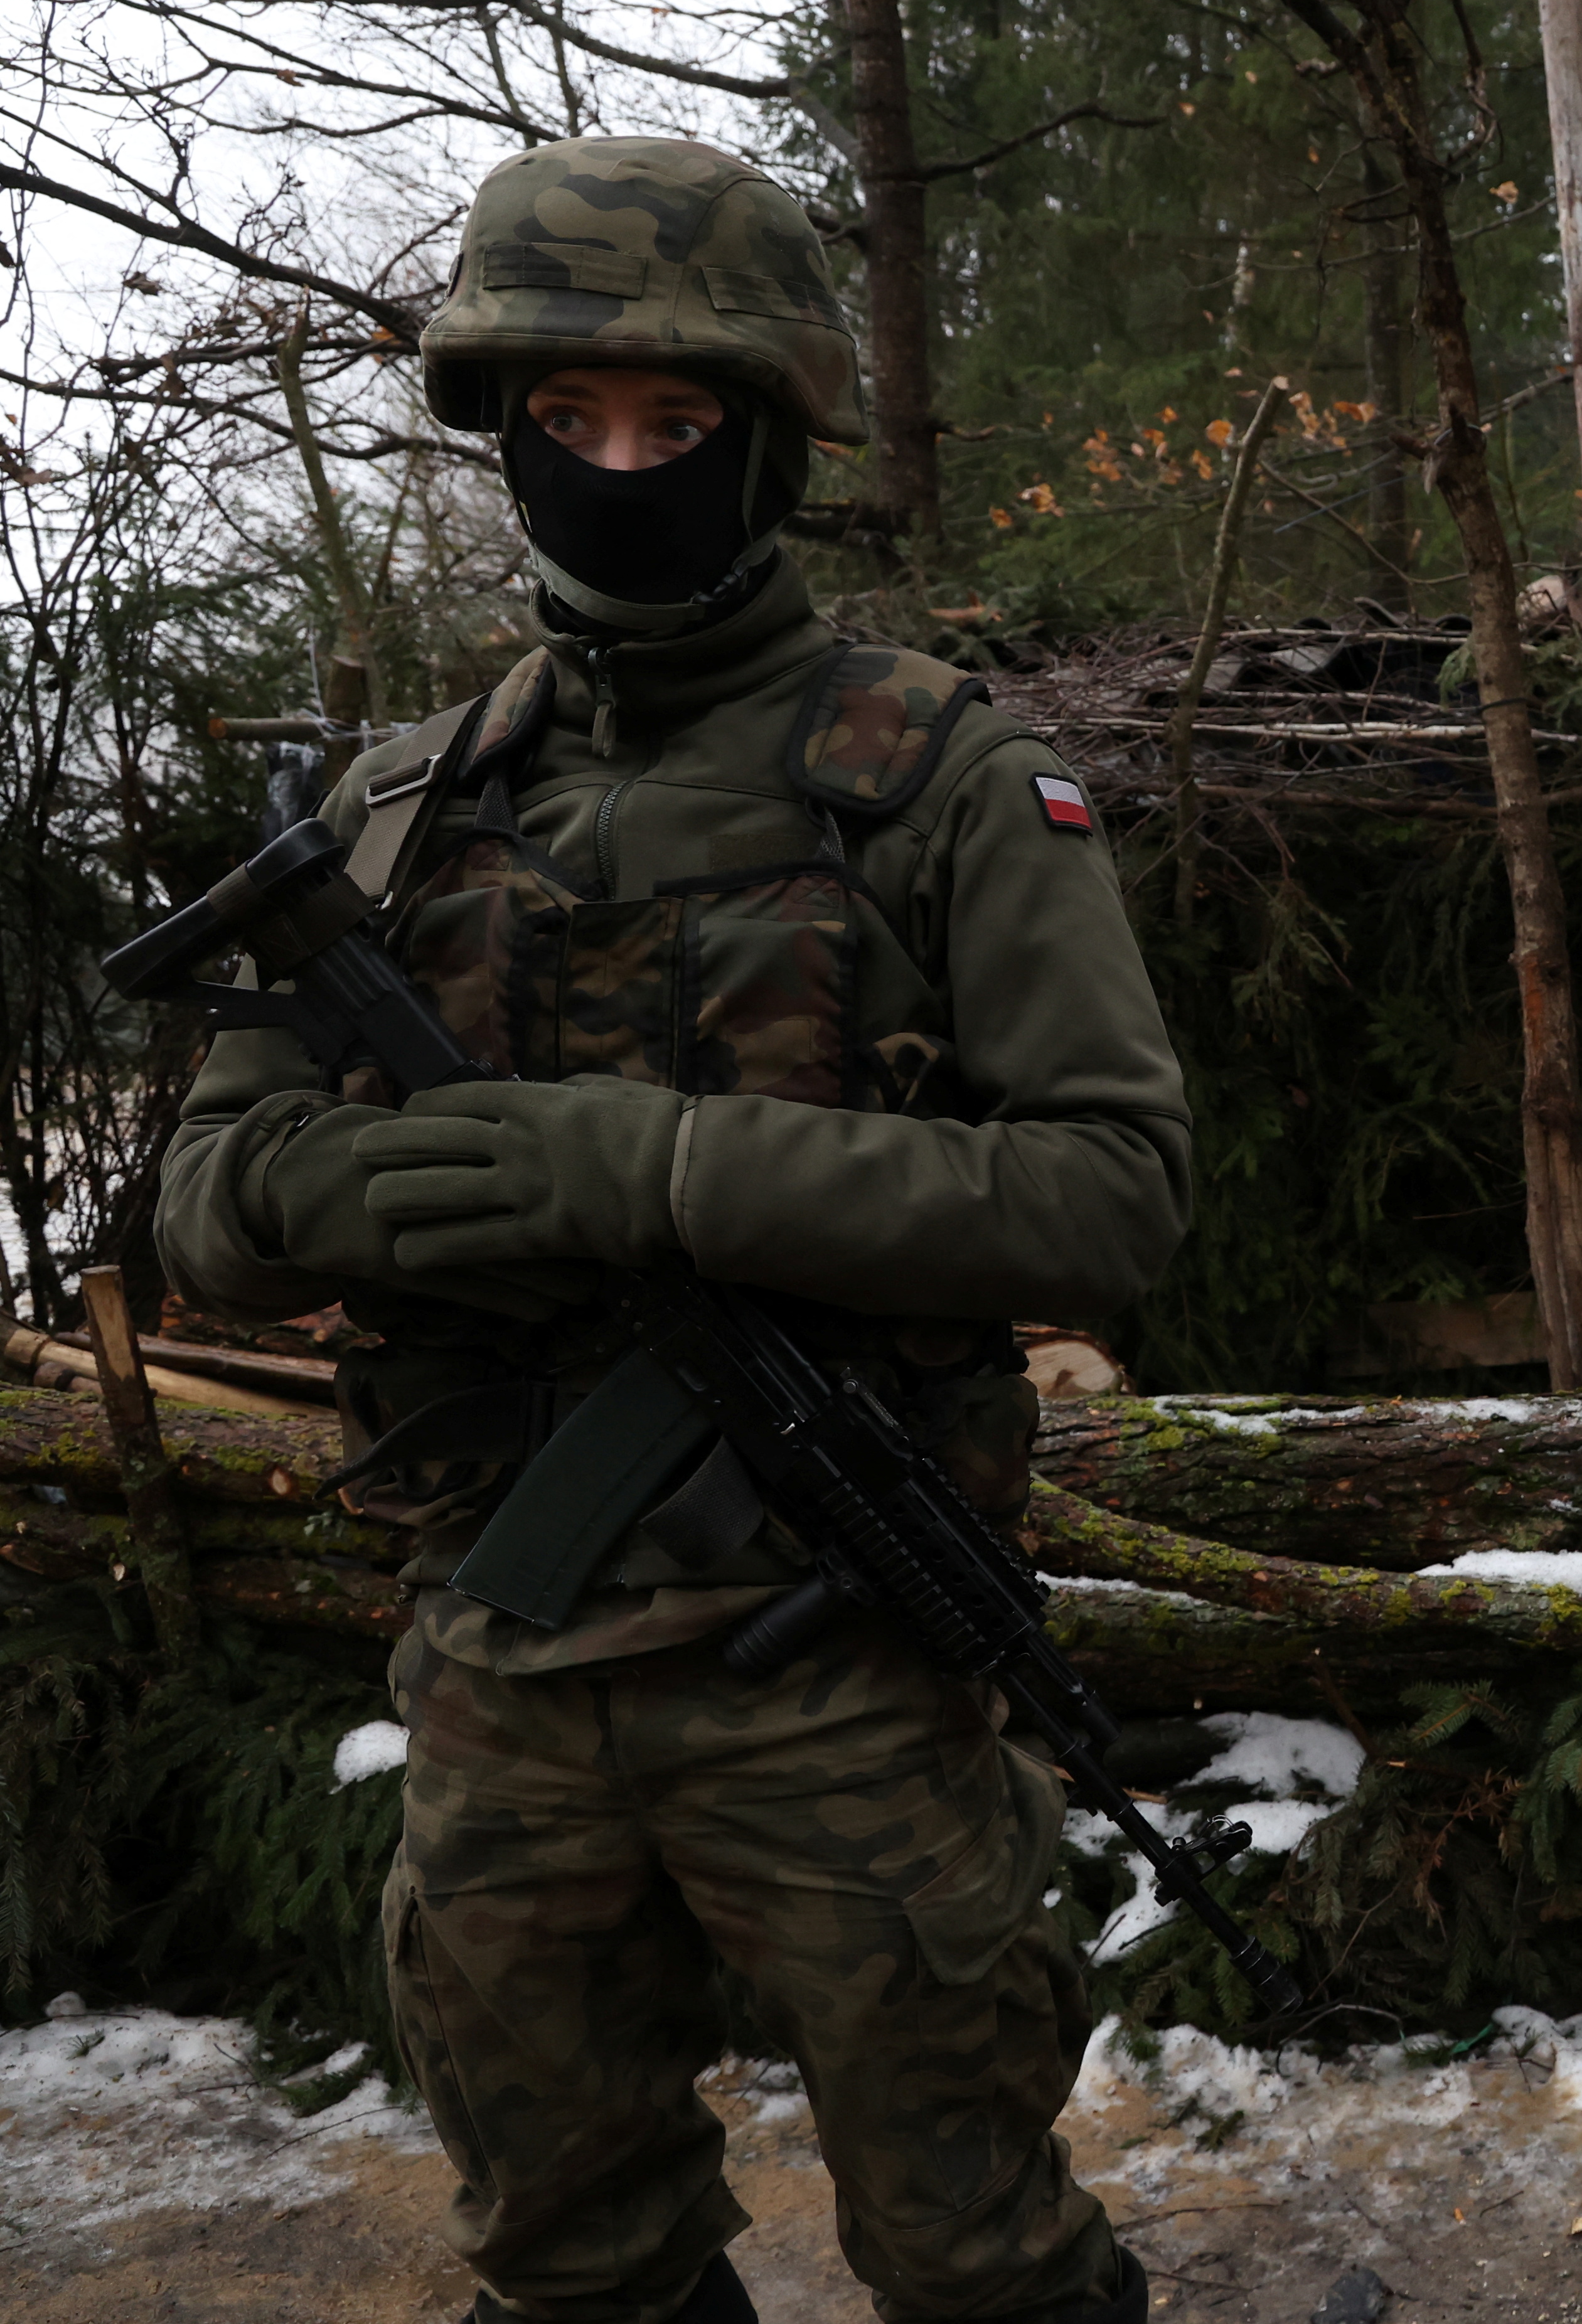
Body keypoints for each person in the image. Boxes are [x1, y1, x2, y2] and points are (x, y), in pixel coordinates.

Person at [156, 137, 1192, 2324]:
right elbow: (211, 1205)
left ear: (775, 441)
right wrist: (348, 1188)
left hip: (832, 1661)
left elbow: (1109, 1200)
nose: (619, 471)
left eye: (680, 427)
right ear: (503, 438)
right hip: (497, 1672)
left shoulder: (941, 779)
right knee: (567, 2253)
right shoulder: (398, 802)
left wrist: (652, 1168)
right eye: (568, 425)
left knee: (975, 2254)